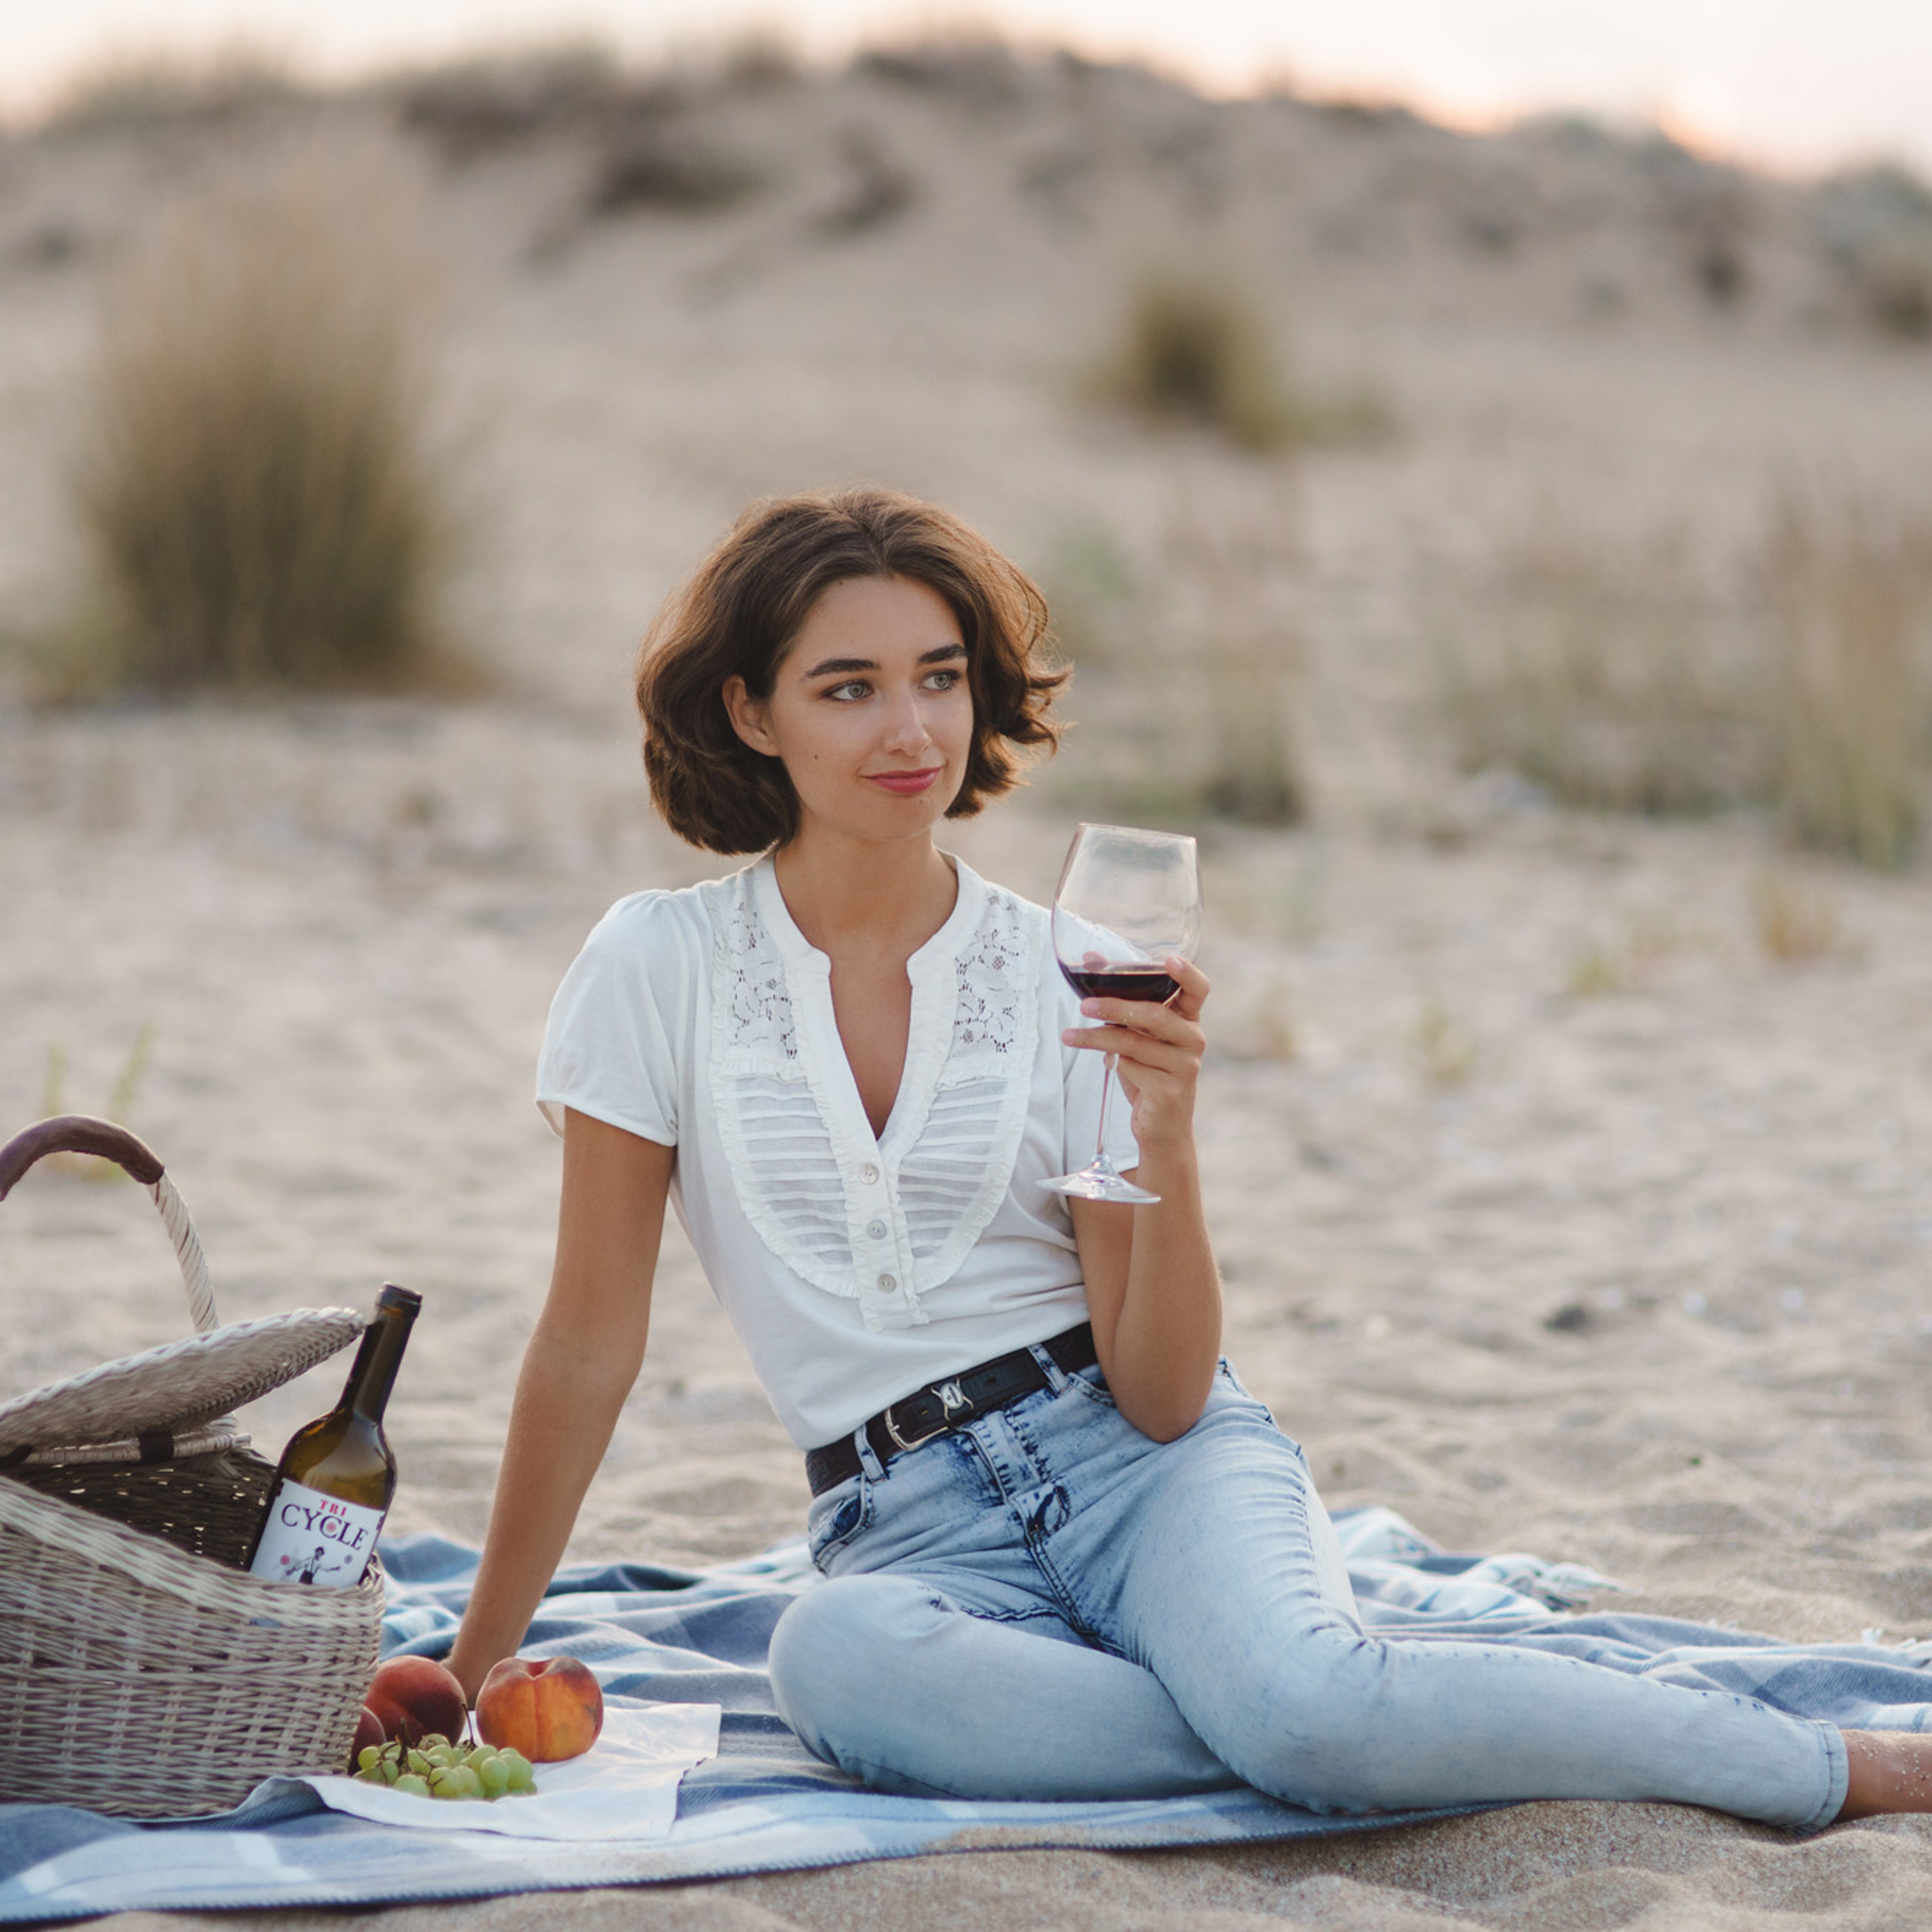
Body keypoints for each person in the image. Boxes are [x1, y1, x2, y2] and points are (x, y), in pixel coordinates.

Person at [448, 483, 1932, 1826]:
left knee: (1300, 1699)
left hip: (1142, 1465)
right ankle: (1323, 1714)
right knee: (831, 1661)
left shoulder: (1072, 969)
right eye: (849, 688)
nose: (911, 733)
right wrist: (469, 1664)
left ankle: (1831, 1767)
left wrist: (1165, 1134)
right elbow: (587, 1340)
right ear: (751, 711)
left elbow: (1159, 1389)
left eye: (939, 678)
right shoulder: (656, 964)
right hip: (900, 1536)